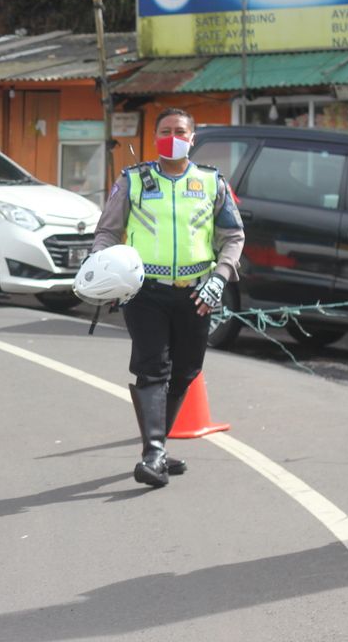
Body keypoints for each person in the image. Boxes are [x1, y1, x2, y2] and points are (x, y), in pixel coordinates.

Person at [90, 107, 245, 487]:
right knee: (152, 368)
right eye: (165, 130)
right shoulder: (133, 181)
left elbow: (233, 237)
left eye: (180, 131)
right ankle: (154, 453)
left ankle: (157, 448)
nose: (172, 136)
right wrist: (103, 267)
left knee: (187, 370)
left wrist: (220, 278)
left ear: (192, 138)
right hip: (145, 293)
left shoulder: (212, 183)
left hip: (198, 293)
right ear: (154, 136)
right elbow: (107, 232)